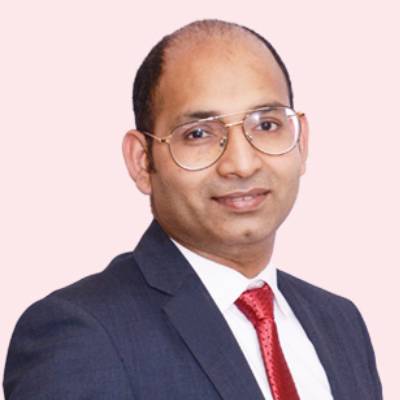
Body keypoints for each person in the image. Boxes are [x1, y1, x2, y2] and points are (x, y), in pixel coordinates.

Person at [3, 19, 382, 400]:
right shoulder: (82, 335)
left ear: (301, 142)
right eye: (199, 134)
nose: (242, 164)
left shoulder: (340, 324)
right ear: (141, 161)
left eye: (267, 125)